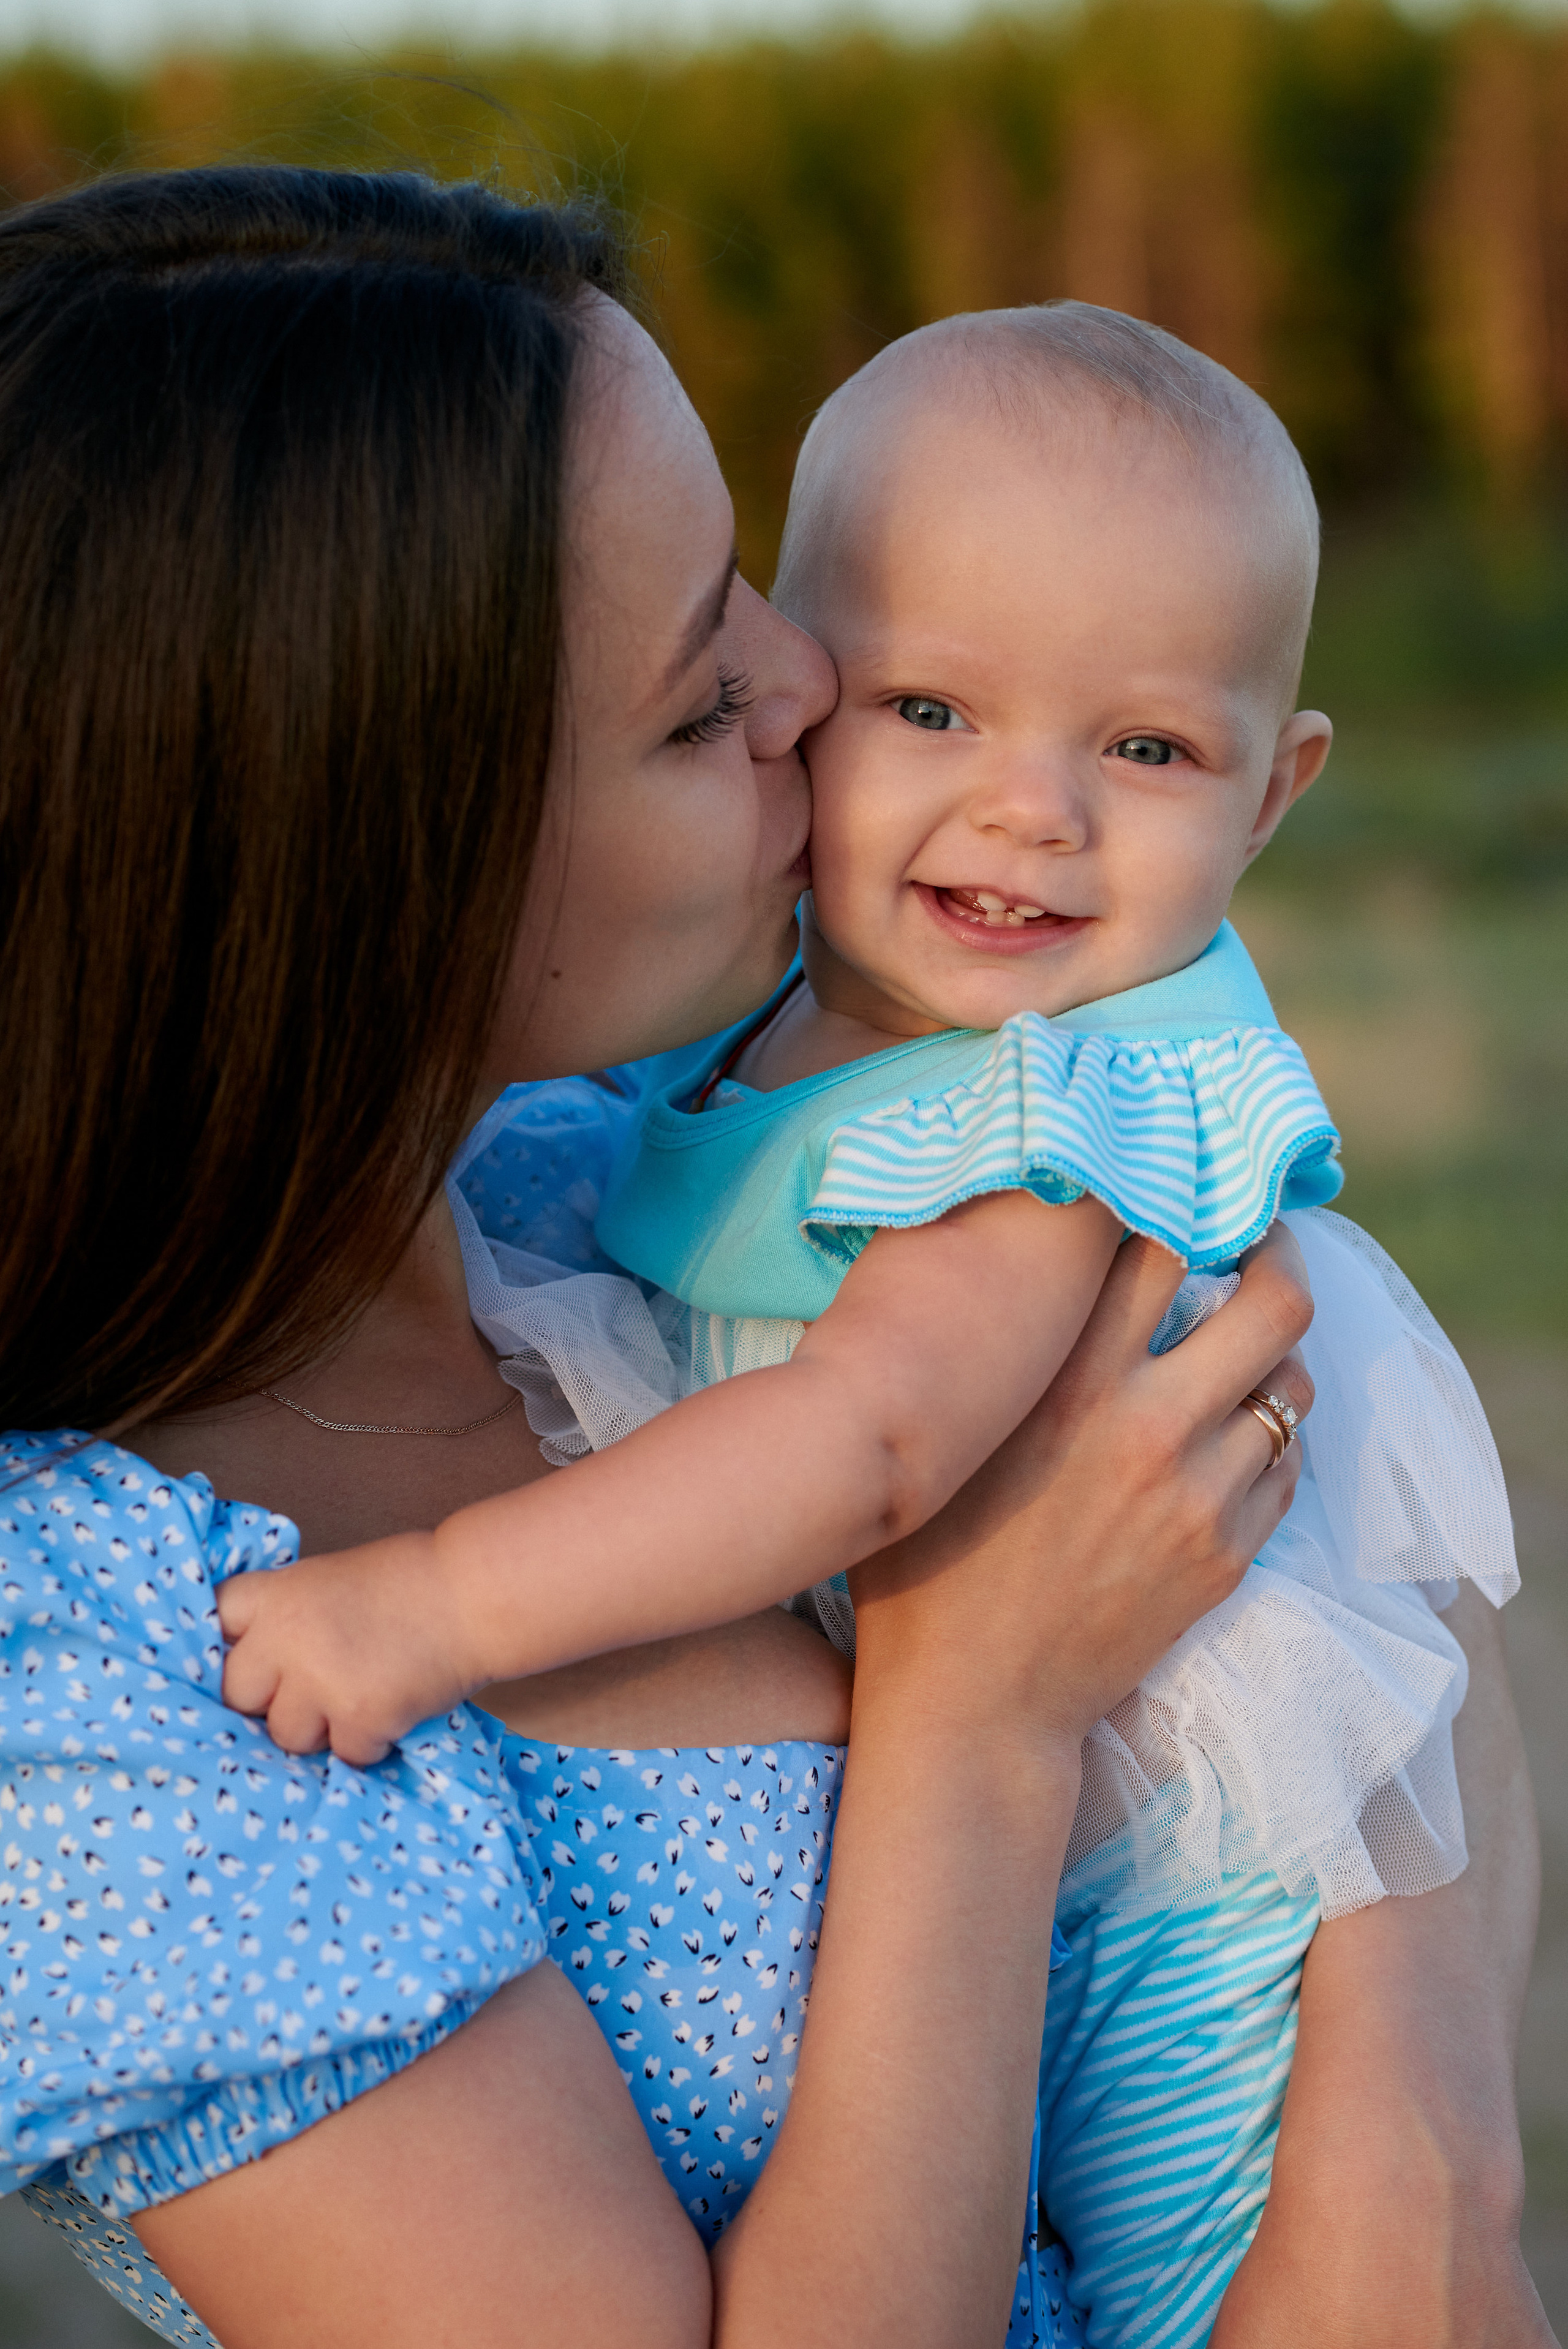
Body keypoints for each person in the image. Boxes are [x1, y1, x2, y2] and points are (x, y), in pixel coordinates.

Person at [0, 168, 1548, 2349]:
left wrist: (1425, 2155)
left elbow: (1358, 1554)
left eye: (750, 589)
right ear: (388, 851)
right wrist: (980, 1709)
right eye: (693, 689)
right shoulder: (93, 1683)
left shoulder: (574, 1197)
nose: (810, 677)